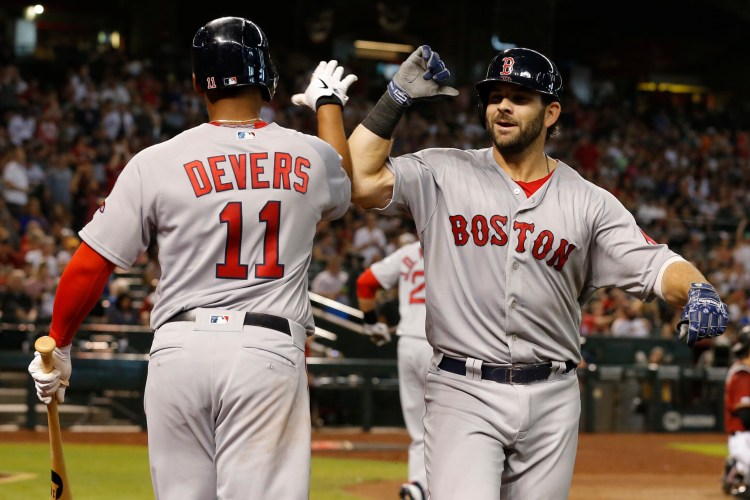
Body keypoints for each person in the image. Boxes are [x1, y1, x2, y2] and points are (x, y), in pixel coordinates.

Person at [346, 45, 729, 499]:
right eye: (495, 96)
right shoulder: (442, 170)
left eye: (520, 96)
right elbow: (359, 181)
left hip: (552, 394)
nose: (503, 105)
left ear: (551, 113)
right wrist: (393, 100)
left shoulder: (589, 202)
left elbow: (659, 263)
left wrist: (699, 289)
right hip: (461, 389)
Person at [27, 16, 357, 500]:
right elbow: (345, 180)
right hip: (265, 351)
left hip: (178, 352)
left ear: (198, 83)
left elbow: (91, 263)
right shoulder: (308, 154)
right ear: (268, 80)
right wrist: (328, 104)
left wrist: (59, 346)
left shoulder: (156, 159)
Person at [356, 231, 431, 500]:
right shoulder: (456, 245)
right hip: (442, 343)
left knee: (418, 426)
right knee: (454, 421)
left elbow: (365, 283)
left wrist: (371, 324)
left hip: (408, 343)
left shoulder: (407, 253)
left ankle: (418, 485)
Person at [722, 326, 750, 498]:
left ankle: (739, 471)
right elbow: (746, 417)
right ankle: (736, 470)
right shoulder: (743, 374)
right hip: (744, 437)